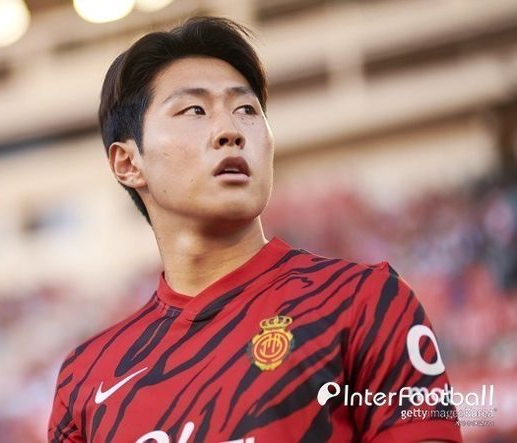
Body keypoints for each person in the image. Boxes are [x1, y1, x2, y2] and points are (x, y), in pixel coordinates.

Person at [48, 16, 463, 443]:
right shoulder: (85, 380)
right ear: (128, 163)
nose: (230, 131)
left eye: (246, 110)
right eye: (194, 110)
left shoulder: (366, 302)